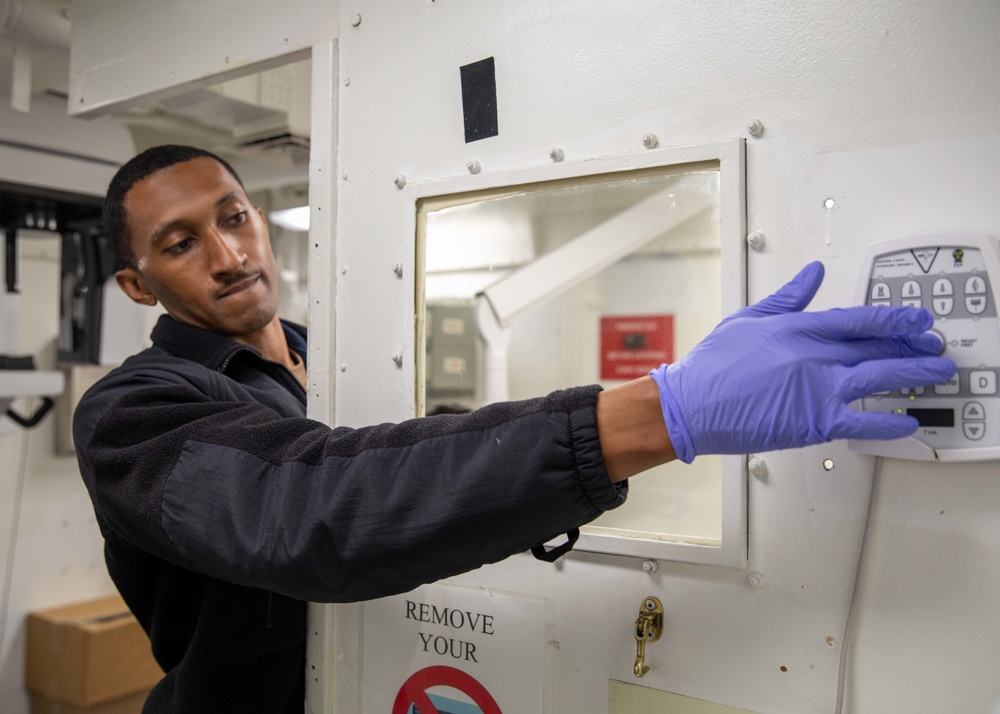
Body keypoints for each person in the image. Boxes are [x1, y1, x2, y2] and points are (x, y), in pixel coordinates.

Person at [73, 145, 955, 713]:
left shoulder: (342, 359)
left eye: (233, 217)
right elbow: (306, 510)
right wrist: (660, 409)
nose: (228, 254)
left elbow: (422, 469)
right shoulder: (132, 414)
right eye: (182, 243)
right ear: (139, 285)